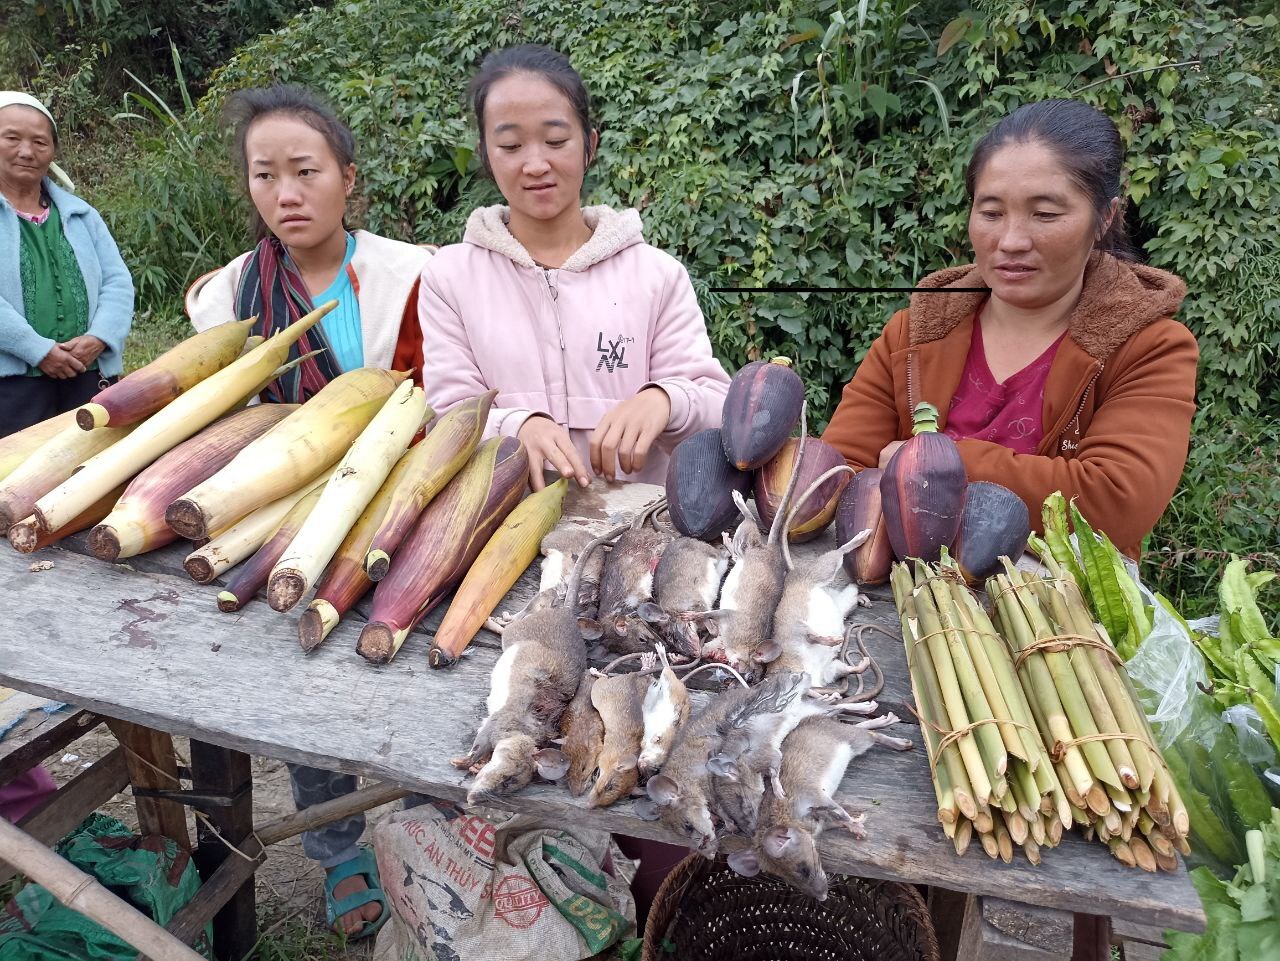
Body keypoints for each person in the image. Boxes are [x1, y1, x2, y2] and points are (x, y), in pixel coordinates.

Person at [186, 85, 434, 940]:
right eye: (265, 175)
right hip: (288, 524)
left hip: (402, 508)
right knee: (305, 692)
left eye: (305, 170)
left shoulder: (415, 276)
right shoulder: (226, 299)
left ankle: (435, 832)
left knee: (418, 674)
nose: (286, 193)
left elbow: (448, 396)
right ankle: (340, 853)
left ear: (347, 178)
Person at [823, 99, 1198, 558]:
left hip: (1061, 603)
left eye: (1045, 214)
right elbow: (840, 474)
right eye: (992, 212)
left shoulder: (1150, 347)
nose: (1011, 241)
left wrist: (940, 463)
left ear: (1104, 218)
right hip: (899, 595)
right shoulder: (913, 335)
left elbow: (1114, 503)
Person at [419, 44, 730, 491]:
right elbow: (448, 416)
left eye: (556, 140)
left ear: (590, 144)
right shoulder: (450, 278)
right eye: (510, 145)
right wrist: (516, 427)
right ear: (486, 155)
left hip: (641, 533)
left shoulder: (656, 275)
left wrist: (665, 399)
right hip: (503, 535)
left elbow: (717, 408)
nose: (536, 164)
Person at [0, 91, 134, 437]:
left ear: (53, 151)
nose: (27, 151)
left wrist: (99, 338)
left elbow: (117, 282)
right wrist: (38, 350)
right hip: (12, 386)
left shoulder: (80, 214)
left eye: (40, 142)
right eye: (11, 138)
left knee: (92, 469)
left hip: (87, 373)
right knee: (17, 480)